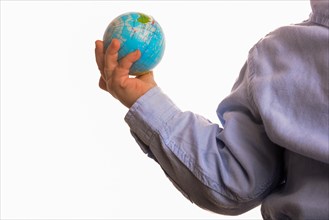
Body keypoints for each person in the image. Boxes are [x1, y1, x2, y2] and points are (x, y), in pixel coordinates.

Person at [95, 0, 329, 219]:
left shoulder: (280, 54)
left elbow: (236, 183)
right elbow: (235, 179)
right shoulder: (279, 54)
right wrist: (146, 100)